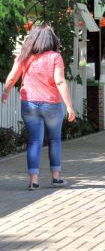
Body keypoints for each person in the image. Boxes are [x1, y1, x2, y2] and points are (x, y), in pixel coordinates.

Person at [2, 24, 75, 190]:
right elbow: (60, 81)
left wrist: (5, 92)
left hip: (29, 104)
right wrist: (69, 106)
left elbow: (13, 76)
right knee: (55, 140)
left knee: (34, 141)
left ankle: (33, 181)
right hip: (52, 105)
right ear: (51, 39)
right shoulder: (55, 57)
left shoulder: (24, 56)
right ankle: (56, 178)